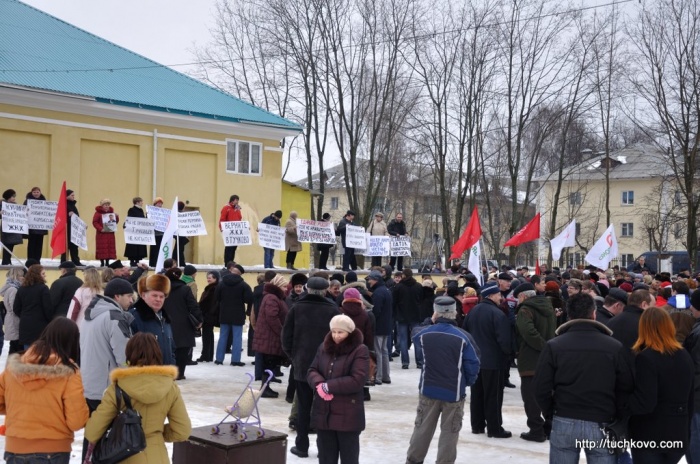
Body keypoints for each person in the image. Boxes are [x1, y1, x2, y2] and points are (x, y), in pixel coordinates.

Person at [534, 293, 634, 463]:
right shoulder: (613, 347)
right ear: (594, 314)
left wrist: (551, 411)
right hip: (601, 420)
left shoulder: (555, 345)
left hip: (565, 418)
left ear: (569, 315)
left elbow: (540, 387)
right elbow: (625, 386)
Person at [84, 332, 192, 463]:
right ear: (158, 354)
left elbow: (92, 432)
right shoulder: (171, 387)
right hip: (158, 457)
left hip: (123, 456)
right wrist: (157, 434)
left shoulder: (117, 388)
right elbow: (182, 430)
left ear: (129, 355)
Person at [0, 317, 89, 463]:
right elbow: (77, 421)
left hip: (14, 450)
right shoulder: (69, 372)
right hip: (53, 451)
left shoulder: (13, 367)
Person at [406, 297, 480, 464]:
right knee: (449, 433)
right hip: (453, 392)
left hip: (428, 389)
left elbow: (415, 332)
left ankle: (413, 460)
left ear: (435, 312)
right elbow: (473, 364)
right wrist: (466, 382)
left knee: (422, 429)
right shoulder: (464, 337)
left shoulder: (424, 334)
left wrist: (430, 320)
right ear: (455, 313)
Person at [626, 306, 693, 464]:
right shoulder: (684, 355)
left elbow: (646, 402)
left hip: (651, 433)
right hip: (678, 432)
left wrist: (623, 405)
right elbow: (690, 398)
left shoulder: (646, 358)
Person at [282, 276, 340, 458]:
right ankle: (324, 448)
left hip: (302, 366)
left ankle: (302, 446)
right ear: (325, 290)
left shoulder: (297, 307)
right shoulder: (333, 310)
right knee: (324, 408)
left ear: (307, 288)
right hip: (326, 367)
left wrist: (295, 356)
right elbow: (339, 338)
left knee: (303, 407)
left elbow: (286, 338)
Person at [79, 278, 135, 461]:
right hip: (106, 389)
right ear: (117, 296)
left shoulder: (91, 314)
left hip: (89, 385)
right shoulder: (114, 316)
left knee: (92, 439)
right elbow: (124, 358)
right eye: (129, 296)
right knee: (108, 446)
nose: (132, 300)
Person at [308, 315, 369, 464]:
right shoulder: (323, 347)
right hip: (324, 413)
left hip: (348, 415)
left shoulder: (360, 350)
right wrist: (319, 384)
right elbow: (312, 370)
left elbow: (357, 380)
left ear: (349, 333)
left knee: (349, 458)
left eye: (340, 332)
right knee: (326, 457)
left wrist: (328, 387)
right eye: (333, 331)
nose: (336, 336)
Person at [463, 281, 512, 438]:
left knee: (477, 394)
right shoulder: (497, 314)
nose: (501, 297)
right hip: (494, 362)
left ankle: (477, 426)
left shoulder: (473, 311)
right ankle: (495, 428)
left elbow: (465, 333)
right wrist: (509, 355)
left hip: (476, 362)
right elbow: (505, 340)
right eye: (498, 294)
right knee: (494, 396)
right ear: (491, 295)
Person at [513, 282, 556, 442]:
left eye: (518, 297)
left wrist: (544, 347)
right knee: (547, 395)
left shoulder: (525, 310)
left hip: (531, 360)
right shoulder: (548, 306)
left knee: (530, 398)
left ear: (523, 296)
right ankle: (549, 427)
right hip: (548, 360)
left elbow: (528, 332)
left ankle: (536, 430)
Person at [253, 274, 289, 398]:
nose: (286, 289)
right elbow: (271, 317)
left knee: (270, 363)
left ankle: (266, 386)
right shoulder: (272, 298)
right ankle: (265, 388)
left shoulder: (273, 297)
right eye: (284, 286)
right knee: (268, 363)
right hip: (269, 337)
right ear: (278, 286)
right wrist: (281, 331)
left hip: (269, 336)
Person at [162, 268, 202, 380]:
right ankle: (179, 373)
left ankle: (167, 371)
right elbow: (193, 306)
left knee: (167, 348)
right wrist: (199, 319)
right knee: (182, 349)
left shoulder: (162, 289)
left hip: (165, 322)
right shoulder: (185, 289)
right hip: (183, 323)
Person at [129, 274, 176, 366]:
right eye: (154, 295)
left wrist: (172, 364)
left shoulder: (165, 319)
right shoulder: (133, 317)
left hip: (166, 374)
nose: (158, 299)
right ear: (143, 295)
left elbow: (172, 348)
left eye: (162, 296)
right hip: (145, 376)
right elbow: (129, 350)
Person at [214, 263, 253, 366]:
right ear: (240, 274)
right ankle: (235, 360)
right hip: (238, 314)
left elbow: (216, 297)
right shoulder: (243, 285)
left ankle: (219, 359)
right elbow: (248, 299)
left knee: (222, 336)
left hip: (224, 313)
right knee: (237, 337)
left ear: (231, 271)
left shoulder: (221, 284)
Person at [14, 264, 53, 348]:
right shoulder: (43, 288)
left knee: (28, 354)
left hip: (25, 324)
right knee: (40, 354)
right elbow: (48, 309)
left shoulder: (22, 289)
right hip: (40, 326)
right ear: (37, 275)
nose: (45, 275)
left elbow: (16, 308)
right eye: (43, 273)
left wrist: (25, 315)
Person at [394, 268, 423, 369]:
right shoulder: (418, 286)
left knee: (403, 339)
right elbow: (421, 300)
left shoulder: (398, 287)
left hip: (402, 316)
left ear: (403, 275)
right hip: (415, 315)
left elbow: (394, 301)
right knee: (417, 339)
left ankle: (405, 362)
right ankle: (419, 362)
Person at [367, 270, 392, 385]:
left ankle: (378, 377)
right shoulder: (386, 290)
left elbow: (376, 310)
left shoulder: (378, 292)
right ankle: (386, 376)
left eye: (370, 279)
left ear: (375, 279)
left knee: (378, 352)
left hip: (379, 326)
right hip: (386, 325)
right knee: (384, 351)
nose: (369, 282)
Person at [197, 270, 220, 363]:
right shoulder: (212, 288)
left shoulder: (213, 289)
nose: (208, 279)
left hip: (208, 315)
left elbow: (209, 304)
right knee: (209, 335)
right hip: (209, 315)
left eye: (210, 278)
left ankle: (205, 355)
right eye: (208, 278)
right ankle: (208, 355)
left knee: (207, 335)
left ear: (215, 278)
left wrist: (203, 312)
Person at [0, 267, 24, 354]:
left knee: (14, 345)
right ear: (16, 276)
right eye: (21, 276)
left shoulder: (11, 288)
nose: (23, 278)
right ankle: (13, 365)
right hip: (14, 320)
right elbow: (14, 307)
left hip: (11, 319)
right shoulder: (13, 289)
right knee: (16, 346)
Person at [23, 187, 48, 262]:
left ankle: (37, 260)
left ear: (40, 193)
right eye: (34, 192)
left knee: (39, 245)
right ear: (31, 193)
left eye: (37, 192)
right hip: (31, 228)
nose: (36, 193)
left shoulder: (44, 201)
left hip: (41, 228)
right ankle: (30, 260)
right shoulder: (27, 201)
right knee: (31, 244)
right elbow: (23, 211)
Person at [92, 198, 119, 267]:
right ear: (102, 205)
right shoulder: (98, 213)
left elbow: (115, 222)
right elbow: (95, 222)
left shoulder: (111, 213)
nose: (107, 206)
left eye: (108, 205)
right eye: (105, 205)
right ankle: (102, 262)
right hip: (101, 234)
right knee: (102, 248)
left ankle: (107, 262)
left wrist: (117, 217)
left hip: (110, 234)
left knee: (109, 248)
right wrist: (101, 229)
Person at [61, 189, 83, 266]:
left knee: (74, 246)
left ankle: (76, 261)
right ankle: (64, 262)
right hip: (66, 229)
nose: (74, 196)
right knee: (65, 246)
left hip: (73, 229)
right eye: (72, 195)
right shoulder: (63, 205)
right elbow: (61, 216)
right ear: (67, 196)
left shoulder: (73, 205)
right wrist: (68, 215)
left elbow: (77, 217)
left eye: (74, 195)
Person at [0, 189, 22, 265]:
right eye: (13, 196)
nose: (14, 198)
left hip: (13, 228)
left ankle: (8, 260)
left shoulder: (15, 205)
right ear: (8, 197)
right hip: (6, 228)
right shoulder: (2, 204)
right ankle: (5, 261)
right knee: (6, 244)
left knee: (11, 244)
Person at [124, 196, 147, 266]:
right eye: (141, 202)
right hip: (133, 231)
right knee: (133, 247)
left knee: (139, 246)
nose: (142, 203)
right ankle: (132, 260)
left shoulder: (141, 210)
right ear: (137, 202)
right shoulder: (131, 210)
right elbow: (130, 219)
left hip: (139, 232)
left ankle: (137, 260)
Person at [220, 194, 242, 265]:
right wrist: (222, 228)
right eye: (236, 200)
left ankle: (231, 261)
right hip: (228, 231)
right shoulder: (226, 208)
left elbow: (239, 218)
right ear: (232, 200)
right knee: (229, 247)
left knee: (234, 247)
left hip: (235, 231)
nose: (237, 201)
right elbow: (222, 219)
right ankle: (227, 262)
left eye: (238, 200)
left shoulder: (238, 209)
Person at [148, 197, 165, 268]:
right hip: (154, 233)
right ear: (155, 204)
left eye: (161, 203)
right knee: (154, 249)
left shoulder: (163, 212)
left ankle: (159, 263)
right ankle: (153, 263)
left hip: (161, 233)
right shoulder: (151, 211)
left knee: (160, 249)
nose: (160, 204)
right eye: (159, 203)